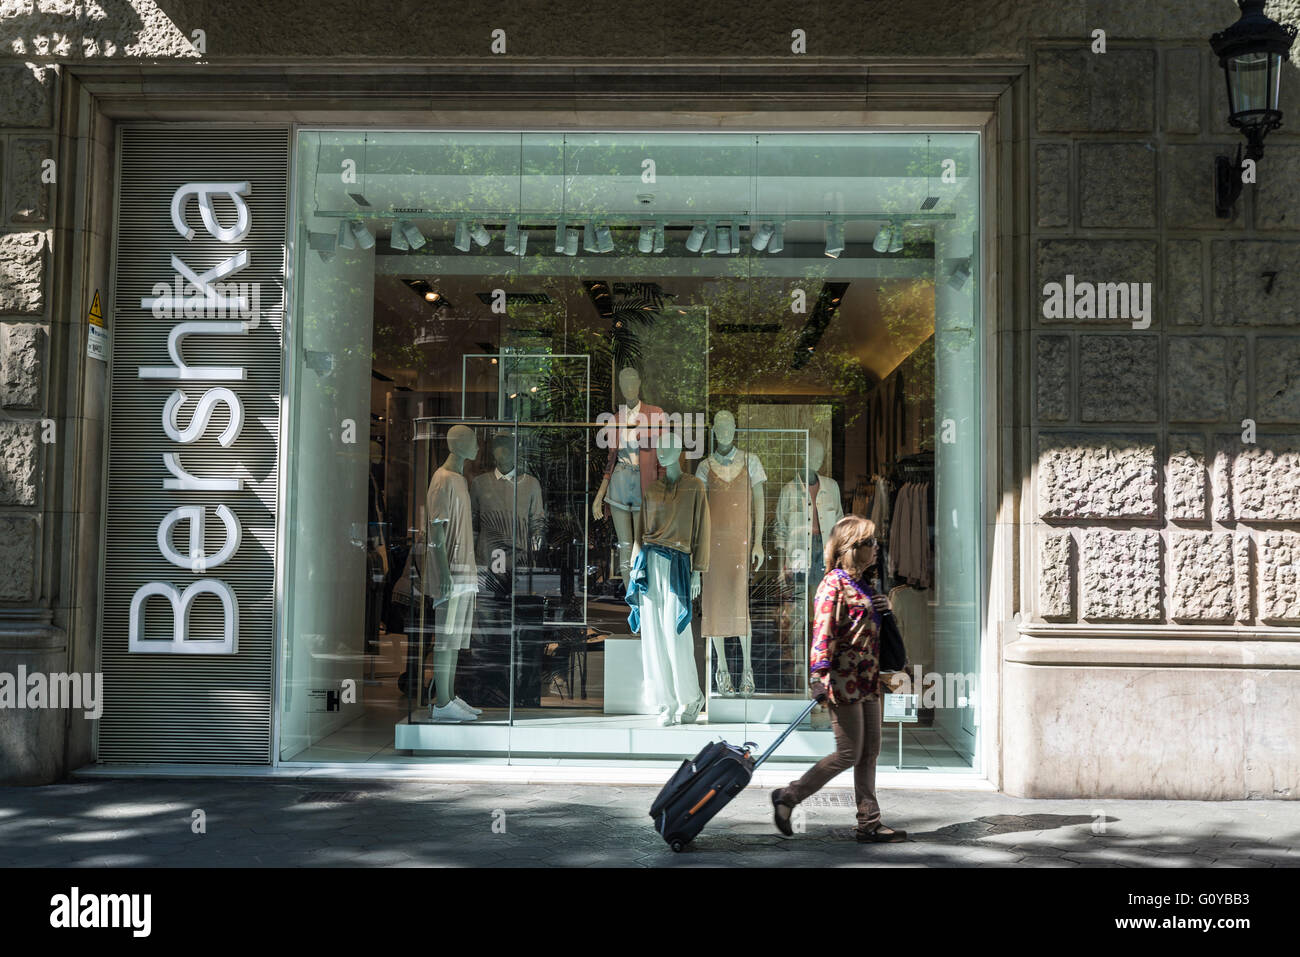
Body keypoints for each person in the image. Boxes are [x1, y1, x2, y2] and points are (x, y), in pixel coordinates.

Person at [770, 514, 907, 843]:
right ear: (851, 548)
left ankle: (869, 822)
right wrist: (818, 675)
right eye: (869, 543)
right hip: (843, 680)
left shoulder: (864, 585)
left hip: (868, 680)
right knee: (849, 753)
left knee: (870, 751)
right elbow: (823, 631)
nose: (876, 548)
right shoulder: (833, 584)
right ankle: (788, 796)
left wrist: (885, 608)